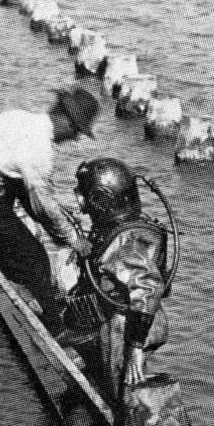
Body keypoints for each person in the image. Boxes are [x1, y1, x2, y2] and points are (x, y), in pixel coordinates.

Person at [0, 87, 100, 334]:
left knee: (23, 242)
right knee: (37, 260)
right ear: (65, 120)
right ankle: (56, 330)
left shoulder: (20, 118)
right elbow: (43, 207)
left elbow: (31, 197)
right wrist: (73, 239)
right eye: (75, 131)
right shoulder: (40, 149)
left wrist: (59, 220)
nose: (73, 139)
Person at [64, 157, 171, 405]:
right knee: (119, 381)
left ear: (101, 199)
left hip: (126, 326)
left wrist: (134, 346)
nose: (80, 201)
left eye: (85, 195)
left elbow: (148, 287)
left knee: (122, 393)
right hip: (134, 320)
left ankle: (123, 422)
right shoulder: (128, 228)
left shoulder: (126, 239)